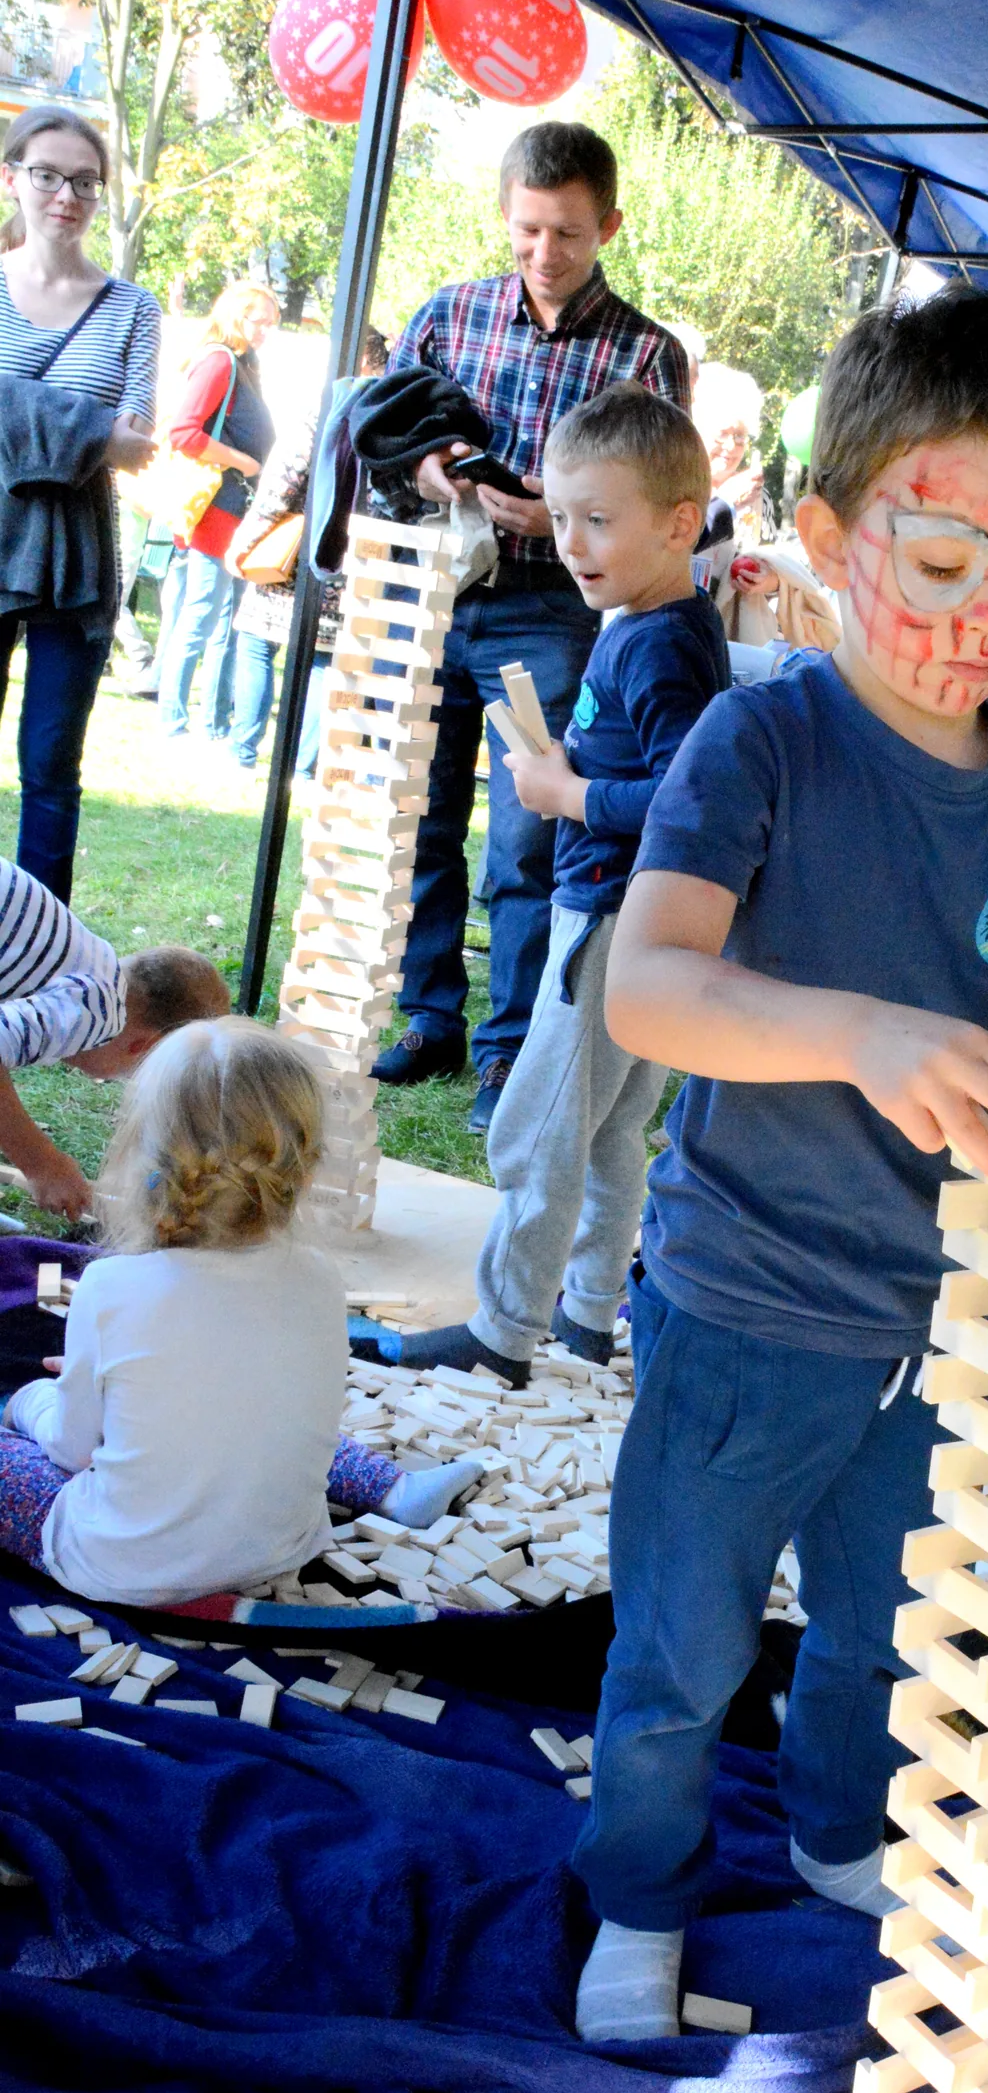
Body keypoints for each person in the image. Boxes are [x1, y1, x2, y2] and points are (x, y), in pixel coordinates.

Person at [567, 287, 988, 2043]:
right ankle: (637, 1893)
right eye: (940, 565)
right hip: (746, 1294)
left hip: (946, 1309)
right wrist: (858, 1030)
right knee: (680, 1652)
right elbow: (646, 988)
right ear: (824, 533)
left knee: (885, 1624)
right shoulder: (762, 737)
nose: (980, 622)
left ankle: (831, 1831)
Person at [355, 383, 729, 1388]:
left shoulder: (661, 644)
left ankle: (503, 1329)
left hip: (610, 918)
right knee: (610, 1134)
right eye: (560, 517)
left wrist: (569, 792)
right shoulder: (650, 619)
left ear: (679, 523)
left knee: (537, 1129)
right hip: (630, 916)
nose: (571, 541)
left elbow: (691, 800)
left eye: (598, 520)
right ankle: (584, 1316)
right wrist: (573, 759)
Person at [378, 122, 692, 1136]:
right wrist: (428, 471)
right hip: (438, 587)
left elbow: (655, 502)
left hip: (552, 612)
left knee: (527, 833)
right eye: (525, 233)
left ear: (608, 224)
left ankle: (508, 1050)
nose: (544, 254)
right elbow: (386, 428)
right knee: (421, 817)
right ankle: (430, 1016)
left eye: (564, 233)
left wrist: (547, 525)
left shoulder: (646, 353)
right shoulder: (449, 312)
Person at [0, 1020, 491, 1609]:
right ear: (304, 1167)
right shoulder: (317, 1275)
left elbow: (72, 1450)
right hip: (283, 1546)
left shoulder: (110, 1287)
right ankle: (396, 1489)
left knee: (21, 1448)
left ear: (141, 1156)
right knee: (256, 1410)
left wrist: (32, 1402)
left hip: (123, 1567)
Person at [0, 105, 161, 899]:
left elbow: (139, 443)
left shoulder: (134, 308)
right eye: (48, 175)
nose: (67, 194)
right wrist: (89, 426)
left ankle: (44, 951)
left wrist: (15, 407)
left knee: (52, 767)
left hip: (79, 558)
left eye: (85, 181)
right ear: (12, 179)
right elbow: (112, 434)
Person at [0, 857, 228, 1220]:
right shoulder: (100, 1013)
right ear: (144, 1046)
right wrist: (43, 1163)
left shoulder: (90, 963)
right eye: (131, 1072)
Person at [224, 325, 391, 775]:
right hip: (354, 560)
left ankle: (243, 752)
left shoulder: (323, 410)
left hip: (294, 556)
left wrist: (246, 539)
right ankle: (302, 768)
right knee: (325, 660)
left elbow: (283, 482)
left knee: (257, 645)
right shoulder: (392, 415)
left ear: (355, 359)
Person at [157, 281, 279, 743]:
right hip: (216, 505)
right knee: (202, 614)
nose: (266, 330)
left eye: (271, 322)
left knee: (223, 618)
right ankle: (173, 721)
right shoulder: (219, 360)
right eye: (259, 320)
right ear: (236, 316)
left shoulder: (243, 362)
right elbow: (184, 432)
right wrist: (244, 461)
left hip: (233, 506)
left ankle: (212, 723)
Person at [692, 359, 765, 531]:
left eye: (739, 436)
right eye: (721, 434)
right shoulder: (673, 487)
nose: (731, 446)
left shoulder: (752, 493)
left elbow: (761, 548)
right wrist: (726, 501)